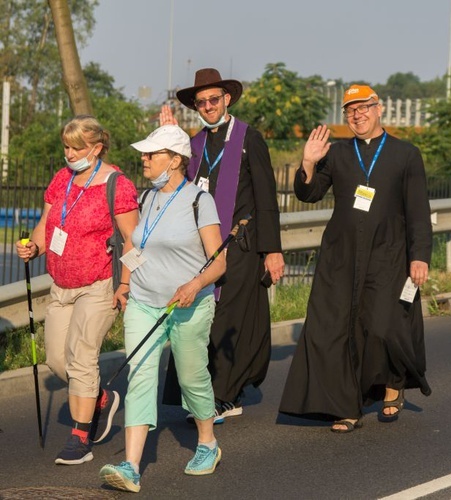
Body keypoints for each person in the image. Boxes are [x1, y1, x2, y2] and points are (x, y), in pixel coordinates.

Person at [278, 84, 433, 432]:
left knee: (382, 326)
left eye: (364, 107)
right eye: (350, 110)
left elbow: (419, 212)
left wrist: (419, 255)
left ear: (379, 109)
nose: (357, 115)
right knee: (337, 330)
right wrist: (308, 162)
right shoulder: (337, 153)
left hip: (389, 254)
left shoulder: (406, 154)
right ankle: (345, 407)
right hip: (341, 256)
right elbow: (310, 193)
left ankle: (394, 382)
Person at [99, 125, 226, 493]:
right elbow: (135, 246)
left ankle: (207, 442)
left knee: (191, 378)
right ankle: (131, 466)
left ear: (174, 160)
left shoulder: (200, 201)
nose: (144, 159)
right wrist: (124, 284)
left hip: (187, 304)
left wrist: (194, 285)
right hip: (143, 301)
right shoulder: (146, 198)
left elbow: (219, 262)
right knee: (138, 374)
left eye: (151, 154)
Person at [160, 68, 284, 422]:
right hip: (202, 247)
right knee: (201, 319)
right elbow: (172, 183)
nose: (208, 106)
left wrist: (272, 250)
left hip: (241, 244)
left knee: (228, 319)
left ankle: (224, 396)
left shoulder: (249, 138)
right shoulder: (194, 144)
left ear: (227, 99)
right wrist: (171, 138)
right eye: (201, 102)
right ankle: (201, 390)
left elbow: (266, 198)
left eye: (214, 99)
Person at [15, 115, 138, 464]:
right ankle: (101, 397)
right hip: (61, 284)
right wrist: (34, 247)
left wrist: (125, 283)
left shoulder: (118, 184)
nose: (69, 153)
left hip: (98, 284)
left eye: (76, 147)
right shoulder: (61, 179)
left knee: (82, 356)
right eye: (66, 147)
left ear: (96, 148)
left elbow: (132, 240)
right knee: (57, 358)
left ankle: (79, 436)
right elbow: (46, 224)